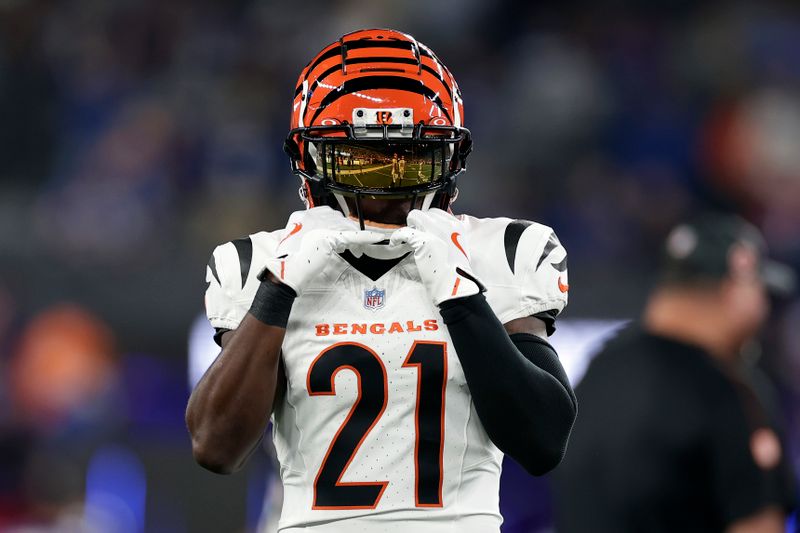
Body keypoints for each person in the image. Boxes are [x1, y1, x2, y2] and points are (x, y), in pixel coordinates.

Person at [186, 28, 577, 532]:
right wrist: (277, 291)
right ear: (311, 161)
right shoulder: (261, 264)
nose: (390, 193)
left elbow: (543, 441)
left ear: (449, 159)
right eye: (362, 165)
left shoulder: (496, 255)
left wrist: (462, 298)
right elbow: (215, 447)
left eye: (411, 163)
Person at [553, 212, 797, 533]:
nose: (764, 306)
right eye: (760, 291)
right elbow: (758, 526)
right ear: (736, 288)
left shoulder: (598, 370)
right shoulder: (727, 387)